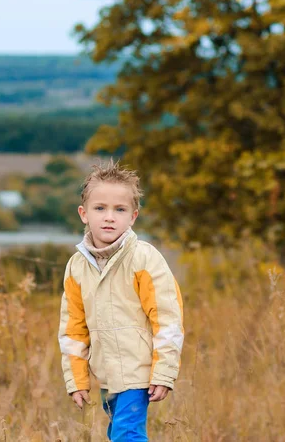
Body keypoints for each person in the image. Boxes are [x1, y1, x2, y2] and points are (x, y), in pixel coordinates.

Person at [58, 160, 184, 441]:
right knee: (117, 433)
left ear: (133, 217)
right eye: (100, 208)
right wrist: (77, 379)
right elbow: (72, 329)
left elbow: (167, 317)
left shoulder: (144, 258)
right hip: (106, 374)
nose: (109, 217)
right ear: (84, 214)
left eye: (120, 210)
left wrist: (164, 371)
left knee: (127, 434)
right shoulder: (77, 266)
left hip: (138, 372)